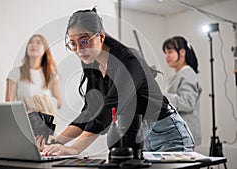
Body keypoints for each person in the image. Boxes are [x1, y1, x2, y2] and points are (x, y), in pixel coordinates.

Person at [39, 8, 194, 157]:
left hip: (168, 132)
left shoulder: (129, 61)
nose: (79, 50)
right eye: (73, 43)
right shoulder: (91, 62)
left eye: (84, 41)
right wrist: (56, 141)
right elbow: (90, 111)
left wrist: (74, 148)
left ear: (100, 37)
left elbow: (110, 107)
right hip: (141, 136)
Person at [5, 34, 62, 138]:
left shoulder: (52, 75)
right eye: (31, 42)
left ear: (45, 50)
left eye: (38, 42)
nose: (33, 45)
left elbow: (58, 102)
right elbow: (9, 104)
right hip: (24, 125)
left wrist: (34, 101)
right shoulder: (15, 73)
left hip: (45, 127)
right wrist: (25, 104)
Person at [162, 36, 202, 146]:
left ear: (182, 52)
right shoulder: (177, 75)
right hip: (176, 134)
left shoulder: (187, 73)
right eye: (165, 52)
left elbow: (187, 103)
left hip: (184, 135)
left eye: (170, 52)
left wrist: (162, 97)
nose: (167, 56)